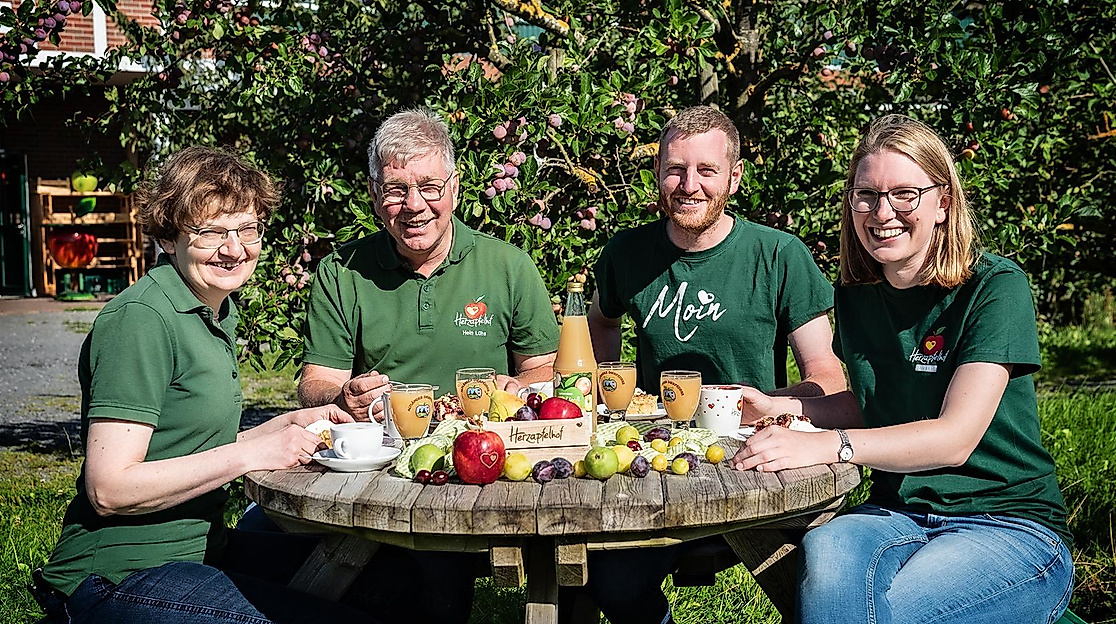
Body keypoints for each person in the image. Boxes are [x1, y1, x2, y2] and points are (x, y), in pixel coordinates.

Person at [730, 114, 1074, 623]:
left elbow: (954, 437)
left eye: (905, 194)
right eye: (865, 195)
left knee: (884, 612)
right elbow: (869, 404)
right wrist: (780, 406)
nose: (882, 212)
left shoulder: (994, 288)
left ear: (943, 203)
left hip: (1006, 522)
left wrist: (829, 444)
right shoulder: (856, 293)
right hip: (895, 512)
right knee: (824, 558)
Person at [35, 146, 370, 624]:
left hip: (201, 552)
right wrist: (251, 455)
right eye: (211, 231)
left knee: (385, 579)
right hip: (118, 577)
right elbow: (109, 489)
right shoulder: (143, 320)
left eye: (246, 229)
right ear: (170, 237)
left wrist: (286, 426)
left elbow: (190, 447)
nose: (233, 248)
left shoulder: (212, 309)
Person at [583, 105, 846, 624]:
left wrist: (775, 407)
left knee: (811, 583)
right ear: (657, 173)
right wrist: (605, 388)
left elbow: (827, 372)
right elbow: (600, 322)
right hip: (654, 457)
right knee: (604, 582)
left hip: (749, 458)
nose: (689, 185)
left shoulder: (778, 255)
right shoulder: (627, 254)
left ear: (734, 176)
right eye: (676, 169)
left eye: (706, 170)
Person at [297, 106, 559, 422]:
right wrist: (341, 398)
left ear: (455, 188)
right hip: (380, 448)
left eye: (429, 187)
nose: (414, 204)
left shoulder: (509, 267)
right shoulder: (341, 272)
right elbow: (316, 382)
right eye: (395, 189)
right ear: (374, 193)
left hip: (486, 444)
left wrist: (517, 386)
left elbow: (546, 368)